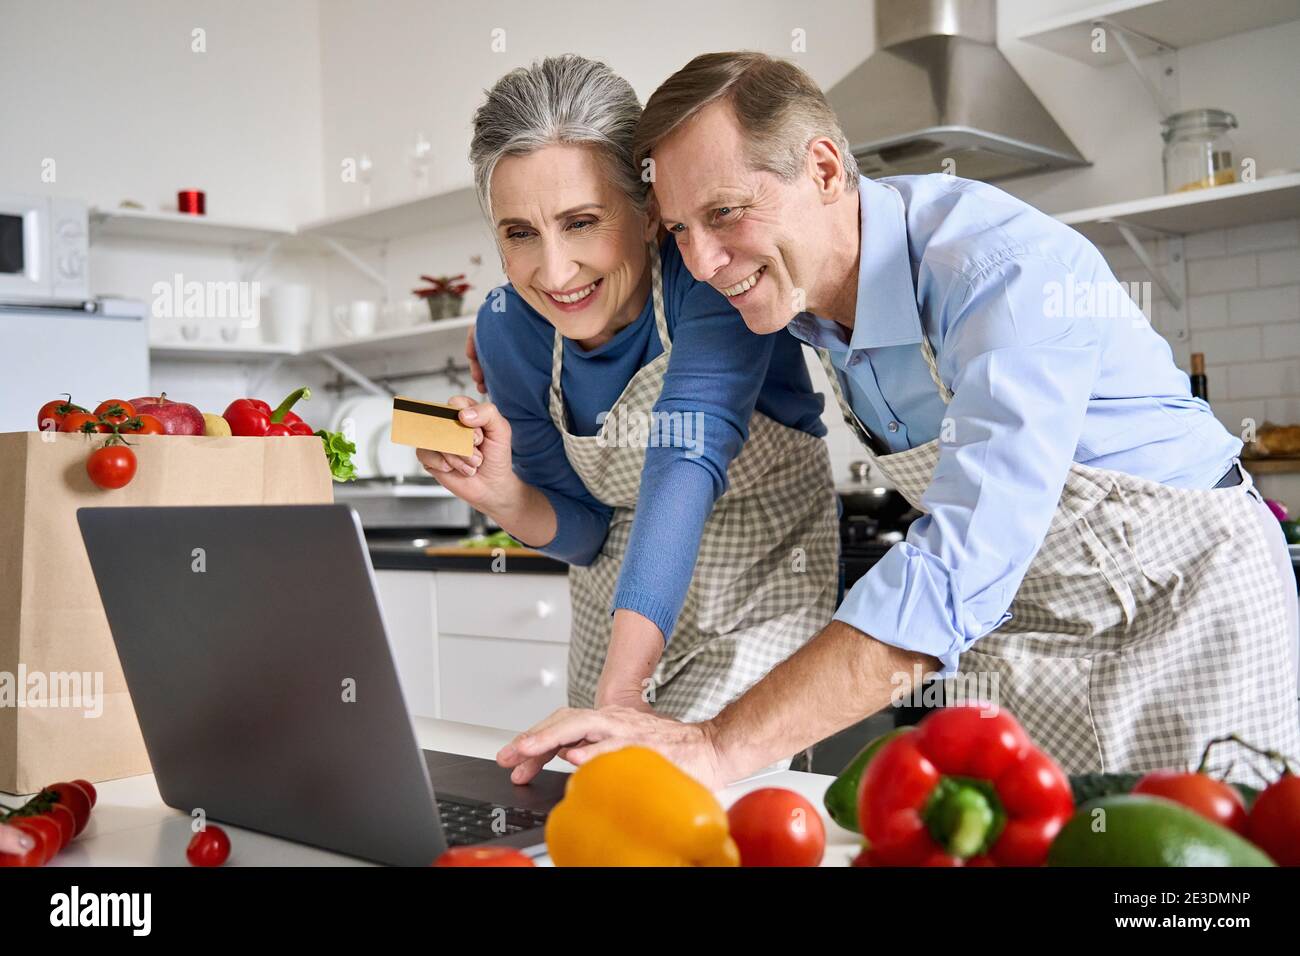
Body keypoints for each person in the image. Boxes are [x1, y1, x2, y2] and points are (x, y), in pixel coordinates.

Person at [494, 51, 1300, 788]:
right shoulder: (797, 298)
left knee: (1197, 890)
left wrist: (715, 744)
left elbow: (955, 568)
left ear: (822, 168)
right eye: (678, 230)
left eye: (726, 213)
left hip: (1185, 617)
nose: (701, 263)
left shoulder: (1000, 273)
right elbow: (685, 444)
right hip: (1029, 643)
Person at [421, 55, 838, 748]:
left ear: (648, 213)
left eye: (582, 222)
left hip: (759, 603)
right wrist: (502, 496)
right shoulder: (506, 328)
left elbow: (685, 456)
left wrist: (622, 698)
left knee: (697, 811)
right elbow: (586, 532)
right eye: (519, 233)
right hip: (613, 612)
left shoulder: (712, 281)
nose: (554, 272)